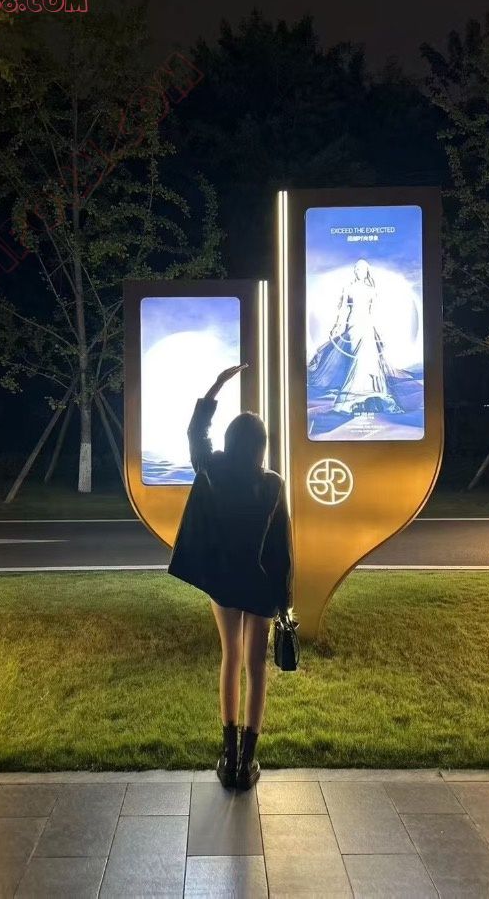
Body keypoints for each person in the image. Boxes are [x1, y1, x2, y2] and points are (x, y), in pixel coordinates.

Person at [168, 364, 293, 790]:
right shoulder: (273, 484)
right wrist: (284, 600)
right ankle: (247, 761)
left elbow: (195, 433)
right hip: (261, 586)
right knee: (256, 667)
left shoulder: (214, 470)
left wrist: (217, 386)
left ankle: (228, 754)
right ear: (261, 447)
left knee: (231, 659)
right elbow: (282, 548)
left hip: (223, 582)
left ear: (230, 440)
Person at [308, 259, 403, 415]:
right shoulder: (349, 288)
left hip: (368, 326)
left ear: (367, 271)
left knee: (369, 360)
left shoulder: (371, 290)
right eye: (357, 269)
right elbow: (343, 310)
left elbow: (375, 312)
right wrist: (336, 326)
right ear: (355, 271)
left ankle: (367, 396)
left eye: (362, 269)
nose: (360, 272)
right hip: (352, 326)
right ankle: (350, 400)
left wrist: (380, 331)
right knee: (356, 359)